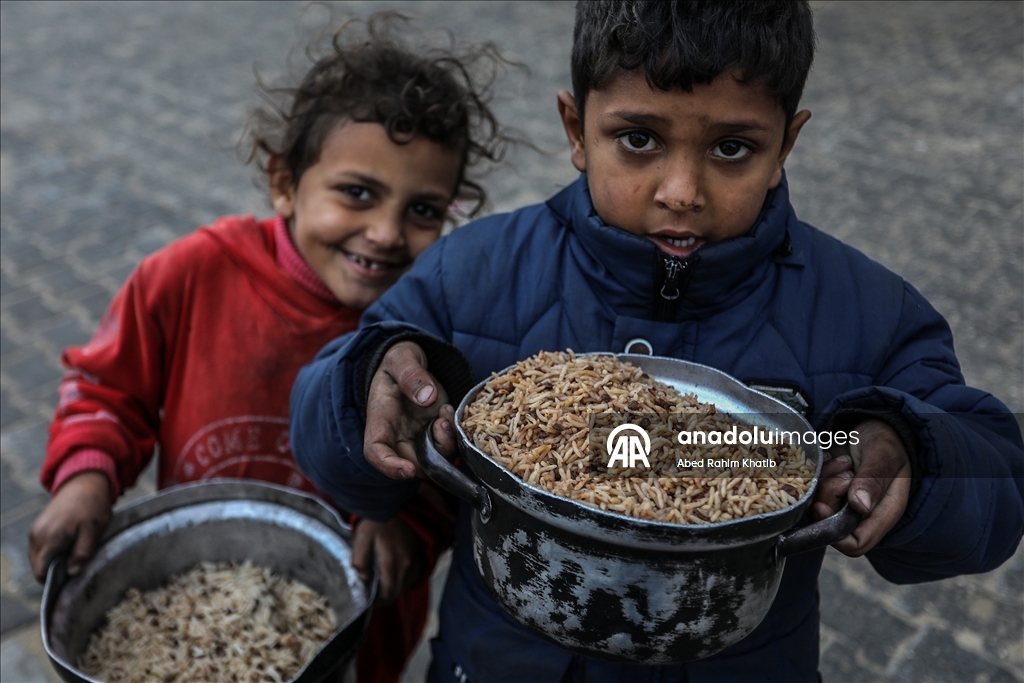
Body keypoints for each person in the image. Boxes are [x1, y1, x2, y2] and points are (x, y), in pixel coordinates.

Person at [288, 2, 1024, 682]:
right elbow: (332, 439)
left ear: (786, 144)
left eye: (733, 148)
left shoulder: (868, 314)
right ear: (577, 130)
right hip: (497, 658)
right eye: (638, 139)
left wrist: (912, 454)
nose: (681, 190)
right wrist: (364, 384)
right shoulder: (470, 273)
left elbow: (994, 483)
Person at [28, 13, 516, 683]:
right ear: (284, 181)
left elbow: (451, 463)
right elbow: (108, 388)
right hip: (194, 616)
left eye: (423, 210)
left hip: (357, 627)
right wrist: (87, 476)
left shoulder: (430, 333)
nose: (385, 232)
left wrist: (408, 524)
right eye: (358, 193)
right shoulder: (190, 275)